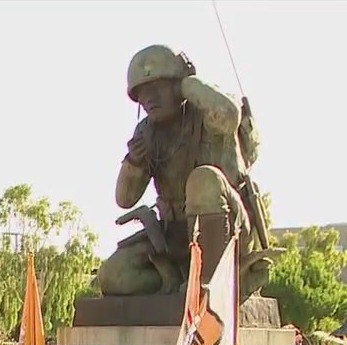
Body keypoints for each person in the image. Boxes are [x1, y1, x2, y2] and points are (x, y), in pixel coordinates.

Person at [97, 44, 277, 299]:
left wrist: (189, 83)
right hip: (174, 235)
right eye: (142, 93)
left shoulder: (207, 115)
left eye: (157, 88)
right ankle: (176, 280)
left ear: (178, 86)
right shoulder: (147, 131)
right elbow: (124, 199)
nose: (149, 98)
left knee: (204, 179)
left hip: (227, 230)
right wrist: (135, 163)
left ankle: (210, 285)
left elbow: (228, 114)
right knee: (113, 275)